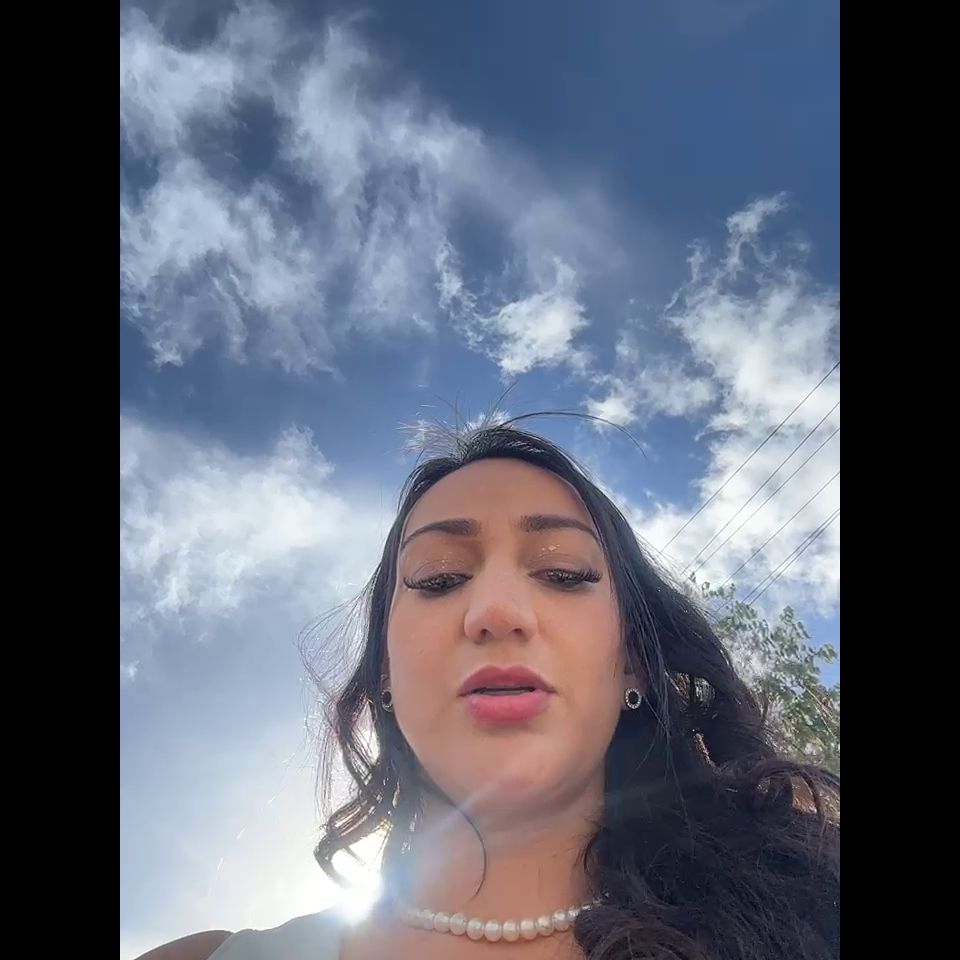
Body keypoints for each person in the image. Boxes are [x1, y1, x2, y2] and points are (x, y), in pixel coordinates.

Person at [138, 421, 840, 960]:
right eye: (439, 578)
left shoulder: (812, 911)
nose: (497, 611)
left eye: (563, 574)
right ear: (385, 674)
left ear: (632, 662)